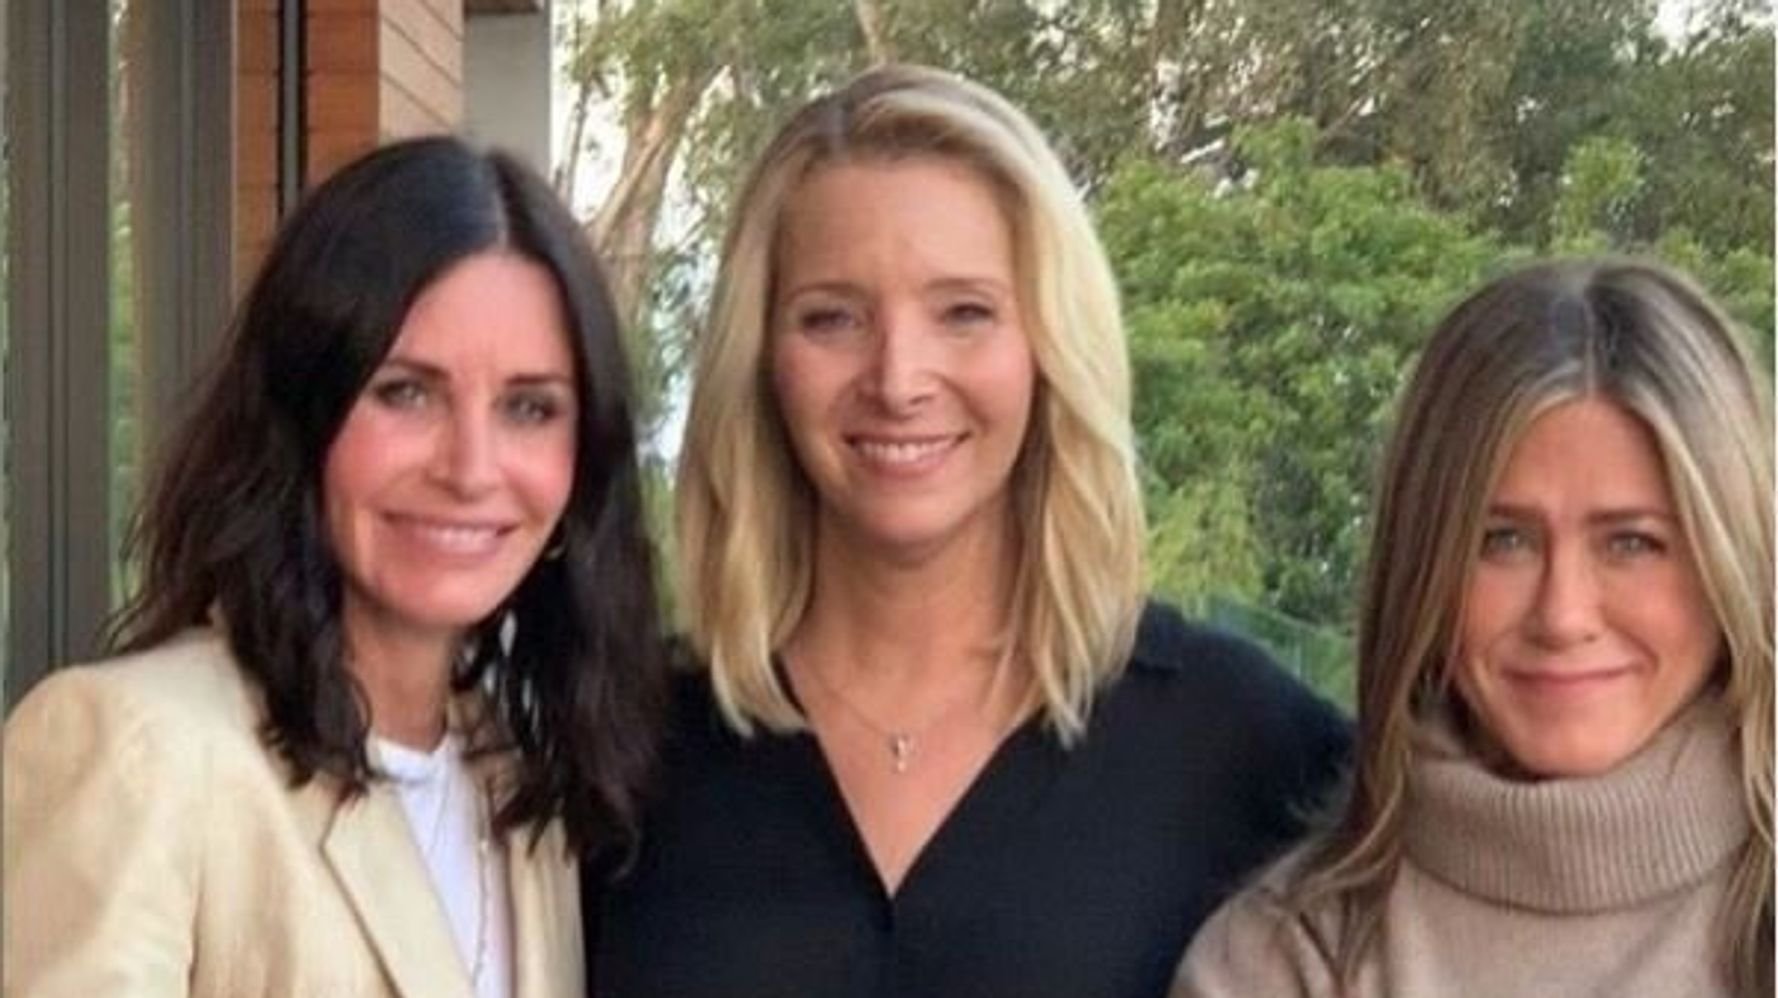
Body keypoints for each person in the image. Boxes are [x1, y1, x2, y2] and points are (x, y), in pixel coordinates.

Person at [589, 64, 1350, 998]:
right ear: (759, 359)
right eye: (833, 317)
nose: (898, 378)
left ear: (1048, 347)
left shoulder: (1245, 747)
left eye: (965, 312)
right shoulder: (624, 748)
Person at [3, 136, 668, 998]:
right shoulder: (140, 753)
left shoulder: (521, 781)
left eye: (529, 407)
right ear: (298, 413)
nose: (471, 469)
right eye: (406, 392)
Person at [1173, 259, 1774, 997]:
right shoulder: (1286, 960)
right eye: (1503, 541)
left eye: (1632, 543)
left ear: (1733, 565)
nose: (1563, 616)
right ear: (1422, 567)